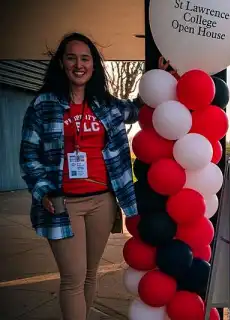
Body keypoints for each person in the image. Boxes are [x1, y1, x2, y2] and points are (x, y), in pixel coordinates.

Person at [19, 32, 147, 320]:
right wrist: (43, 191)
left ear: (93, 65)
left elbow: (136, 109)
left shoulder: (105, 104)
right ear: (62, 63)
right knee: (73, 278)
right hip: (63, 203)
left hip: (102, 202)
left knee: (90, 274)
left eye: (85, 58)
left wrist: (158, 80)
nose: (79, 64)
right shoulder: (44, 104)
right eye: (72, 57)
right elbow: (29, 154)